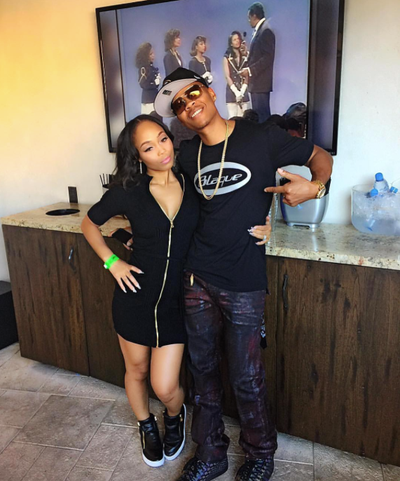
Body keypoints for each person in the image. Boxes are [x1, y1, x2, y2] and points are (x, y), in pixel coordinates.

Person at [154, 68, 333, 481]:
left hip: (244, 280)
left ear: (210, 92)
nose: (188, 105)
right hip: (196, 277)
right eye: (178, 105)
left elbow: (319, 157)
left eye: (192, 93)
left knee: (247, 376)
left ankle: (260, 455)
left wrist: (315, 187)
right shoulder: (186, 155)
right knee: (202, 374)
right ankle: (211, 453)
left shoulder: (261, 137)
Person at [80, 115, 199, 469]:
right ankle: (146, 424)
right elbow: (89, 223)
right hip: (135, 298)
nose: (161, 150)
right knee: (136, 371)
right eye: (149, 147)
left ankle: (174, 416)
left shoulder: (191, 181)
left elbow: (226, 212)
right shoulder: (128, 190)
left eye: (163, 138)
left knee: (165, 386)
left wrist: (264, 223)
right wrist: (112, 262)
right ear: (137, 156)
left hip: (176, 301)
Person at [240, 2, 275, 123]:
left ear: (254, 16)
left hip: (261, 84)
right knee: (259, 118)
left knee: (262, 118)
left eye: (249, 17)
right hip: (257, 84)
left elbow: (268, 57)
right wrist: (247, 54)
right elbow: (260, 55)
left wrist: (250, 70)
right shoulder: (261, 30)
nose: (248, 21)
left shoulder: (265, 31)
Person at [223, 31, 250, 119]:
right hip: (232, 93)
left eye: (238, 39)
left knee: (244, 119)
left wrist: (242, 91)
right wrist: (236, 92)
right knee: (233, 119)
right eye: (234, 39)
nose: (237, 41)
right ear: (231, 43)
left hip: (243, 91)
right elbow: (227, 76)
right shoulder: (227, 57)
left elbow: (247, 73)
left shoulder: (245, 55)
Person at [135, 43, 161, 114]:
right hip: (148, 100)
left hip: (155, 98)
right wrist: (154, 83)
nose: (153, 56)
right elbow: (144, 84)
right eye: (150, 54)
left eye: (153, 53)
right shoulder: (143, 69)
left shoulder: (152, 68)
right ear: (145, 56)